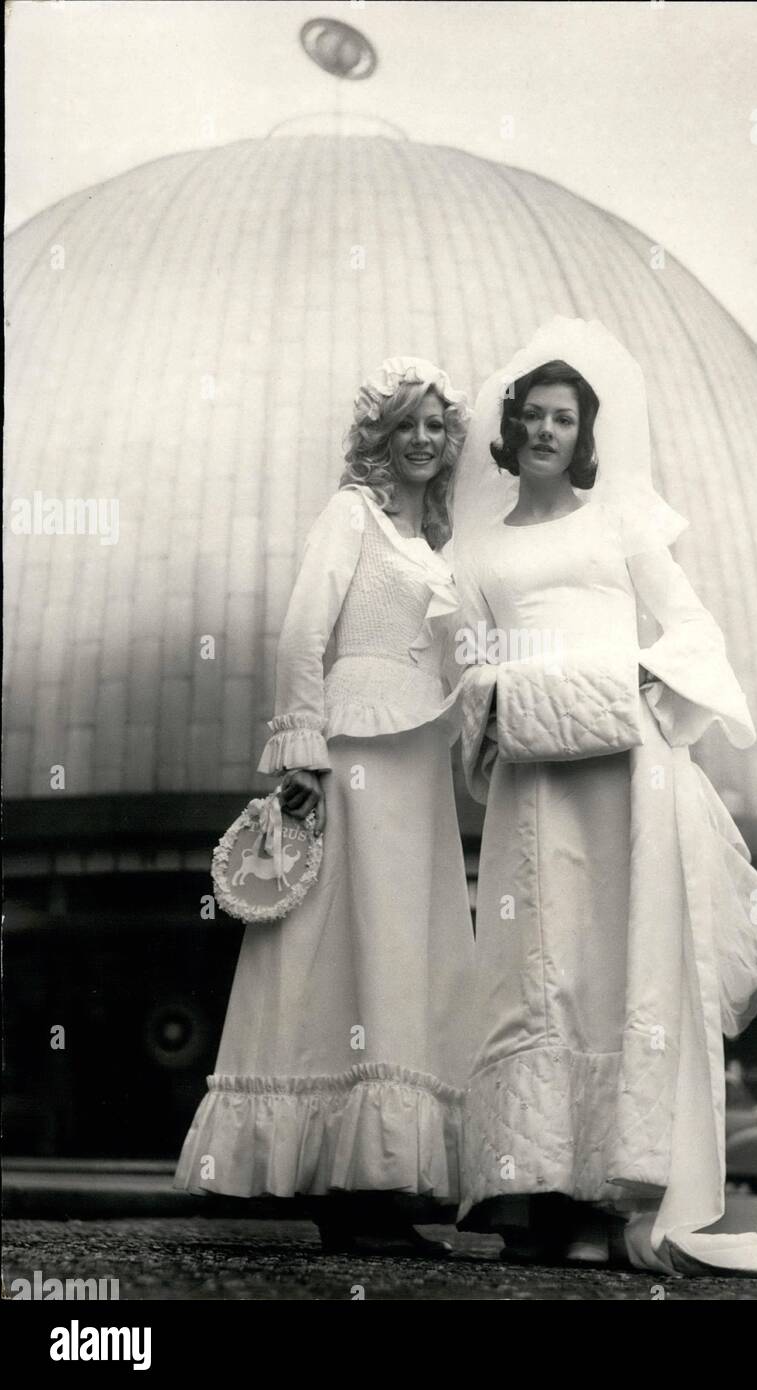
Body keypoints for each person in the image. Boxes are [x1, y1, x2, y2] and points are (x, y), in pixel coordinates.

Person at [449, 318, 757, 1278]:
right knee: (542, 969)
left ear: (586, 436)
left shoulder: (620, 522)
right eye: (531, 416)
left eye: (564, 419)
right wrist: (500, 696)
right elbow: (467, 657)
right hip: (538, 780)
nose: (545, 432)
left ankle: (615, 1193)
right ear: (509, 429)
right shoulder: (478, 548)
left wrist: (639, 692)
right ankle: (533, 1190)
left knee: (624, 971)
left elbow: (692, 627)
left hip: (624, 773)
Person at [175, 358, 475, 1256]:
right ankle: (347, 1193)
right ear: (378, 436)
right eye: (405, 425)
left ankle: (376, 1177)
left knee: (403, 950)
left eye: (435, 426)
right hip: (354, 752)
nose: (421, 439)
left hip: (417, 762)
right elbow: (305, 628)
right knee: (347, 947)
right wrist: (301, 747)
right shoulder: (351, 515)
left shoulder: (435, 543)